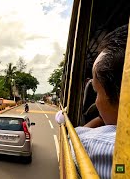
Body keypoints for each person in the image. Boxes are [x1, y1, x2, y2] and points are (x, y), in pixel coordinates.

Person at [55, 24, 128, 179]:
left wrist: (100, 119)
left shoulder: (96, 145)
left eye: (97, 92)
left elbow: (73, 139)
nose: (96, 102)